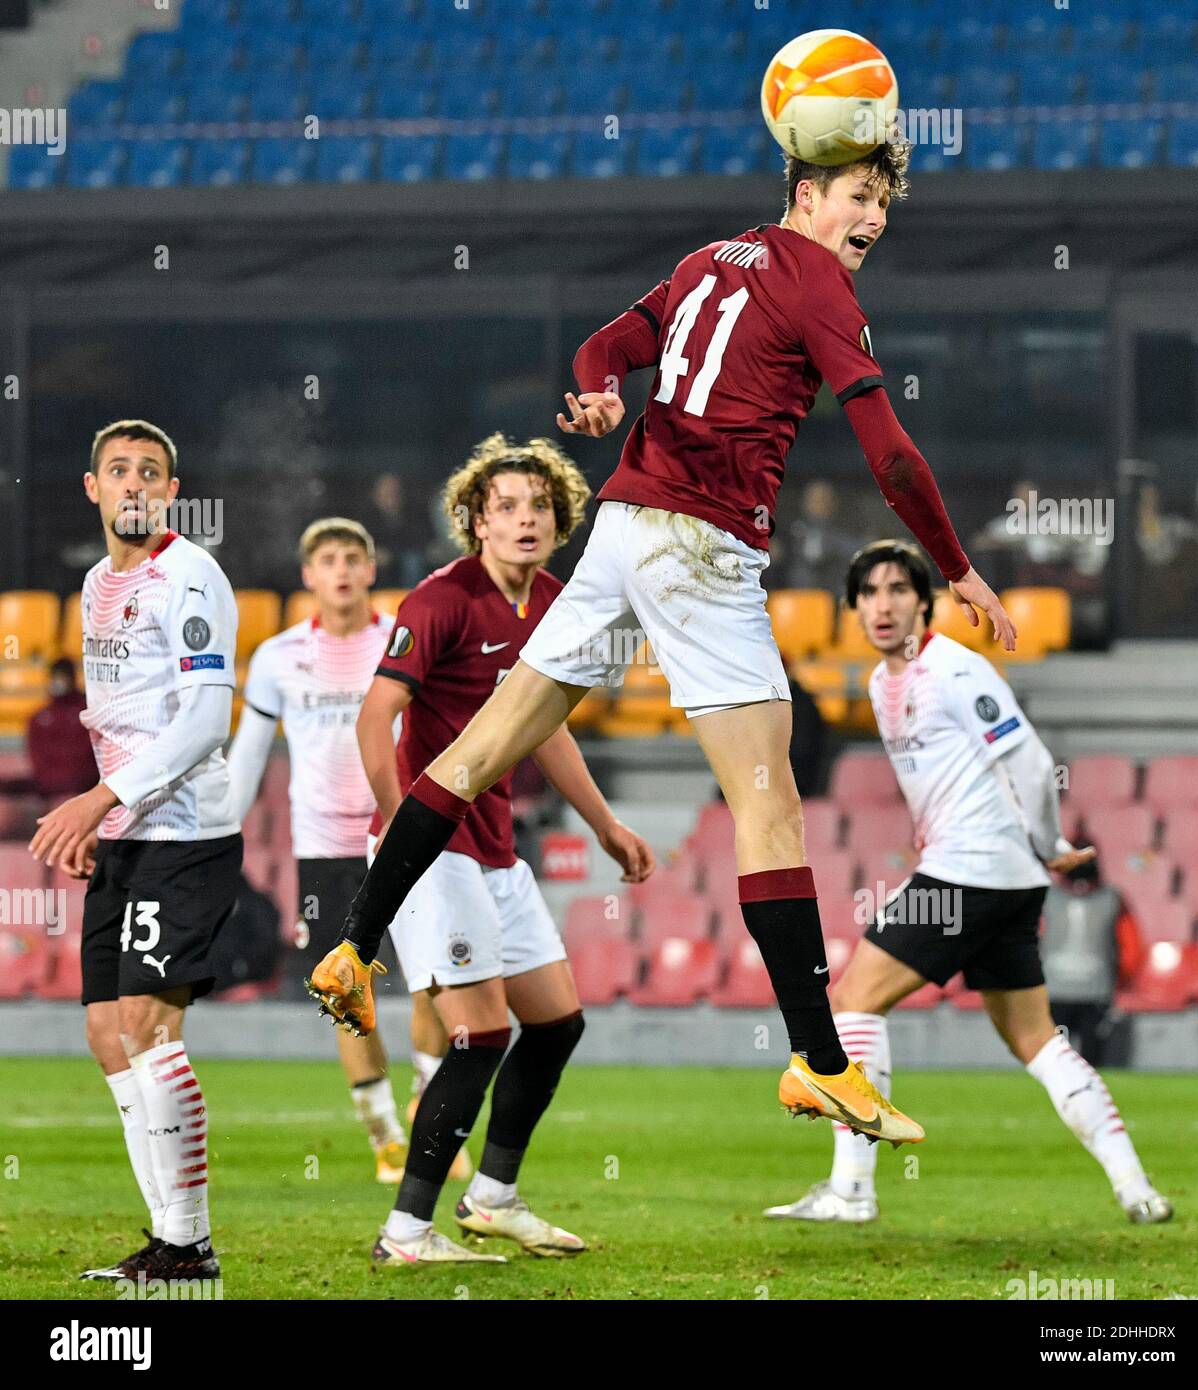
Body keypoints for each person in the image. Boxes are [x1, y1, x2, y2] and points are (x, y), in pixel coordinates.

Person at [311, 139, 1017, 1148]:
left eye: (882, 204)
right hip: (701, 543)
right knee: (769, 802)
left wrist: (602, 392)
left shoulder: (706, 261)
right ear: (806, 195)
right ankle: (819, 1062)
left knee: (474, 748)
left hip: (620, 527)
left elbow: (606, 342)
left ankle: (352, 943)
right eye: (858, 196)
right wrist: (953, 562)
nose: (874, 219)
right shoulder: (818, 284)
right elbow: (890, 455)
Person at [763, 539, 1170, 1227]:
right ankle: (1136, 1188)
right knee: (1036, 1041)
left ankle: (851, 1190)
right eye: (868, 593)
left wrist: (1050, 843)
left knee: (852, 1002)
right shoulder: (877, 684)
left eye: (898, 590)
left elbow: (1033, 765)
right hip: (998, 881)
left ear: (925, 602)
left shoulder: (954, 669)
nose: (883, 604)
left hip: (970, 872)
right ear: (855, 610)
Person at [338, 433, 655, 1266]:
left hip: (495, 854)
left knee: (555, 1024)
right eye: (505, 506)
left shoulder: (555, 603)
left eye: (539, 507)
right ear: (474, 521)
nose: (524, 519)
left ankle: (495, 1199)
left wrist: (603, 824)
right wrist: (399, 831)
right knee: (479, 1036)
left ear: (560, 522)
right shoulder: (441, 600)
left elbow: (543, 733)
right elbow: (375, 719)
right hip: (433, 856)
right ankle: (406, 1233)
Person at [30, 419, 243, 1283]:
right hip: (123, 833)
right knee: (106, 1035)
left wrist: (97, 800)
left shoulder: (189, 575)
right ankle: (164, 1240)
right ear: (93, 488)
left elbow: (202, 718)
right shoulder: (93, 583)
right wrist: (97, 821)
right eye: (117, 470)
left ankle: (190, 1244)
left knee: (151, 1030)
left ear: (170, 490)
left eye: (149, 472)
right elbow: (116, 717)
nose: (132, 484)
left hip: (184, 832)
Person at [227, 517, 465, 1185]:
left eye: (352, 558)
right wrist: (222, 829)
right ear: (308, 575)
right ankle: (384, 1136)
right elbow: (248, 756)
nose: (340, 569)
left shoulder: (402, 639)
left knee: (432, 980)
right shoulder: (276, 657)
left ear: (368, 569)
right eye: (327, 559)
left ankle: (426, 1109)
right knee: (344, 991)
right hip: (324, 848)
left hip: (400, 833)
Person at [1041, 849, 1143, 1068]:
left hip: (1057, 987)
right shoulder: (1112, 898)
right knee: (1091, 1055)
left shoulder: (1046, 897)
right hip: (1095, 987)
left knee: (1056, 1056)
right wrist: (1120, 980)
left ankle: (1060, 1095)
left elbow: (1030, 940)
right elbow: (1131, 947)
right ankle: (1088, 1096)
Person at [26, 658, 97, 801]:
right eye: (56, 676)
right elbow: (37, 758)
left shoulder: (87, 714)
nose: (59, 681)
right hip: (49, 792)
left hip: (84, 791)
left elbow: (91, 753)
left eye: (63, 676)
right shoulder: (38, 718)